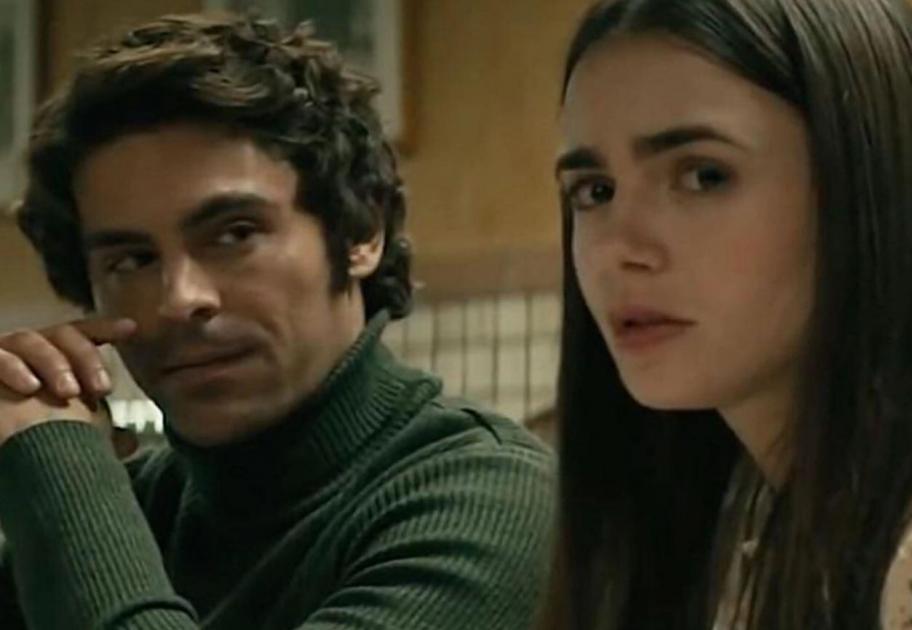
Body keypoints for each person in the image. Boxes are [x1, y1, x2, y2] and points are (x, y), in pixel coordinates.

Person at [0, 13, 553, 630]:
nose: (179, 299)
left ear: (361, 231)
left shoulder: (489, 496)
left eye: (234, 234)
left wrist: (62, 475)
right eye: (132, 260)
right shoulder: (136, 506)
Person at [542, 0, 912, 628]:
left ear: (867, 183)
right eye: (595, 191)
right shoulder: (743, 509)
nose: (618, 248)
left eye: (704, 176)